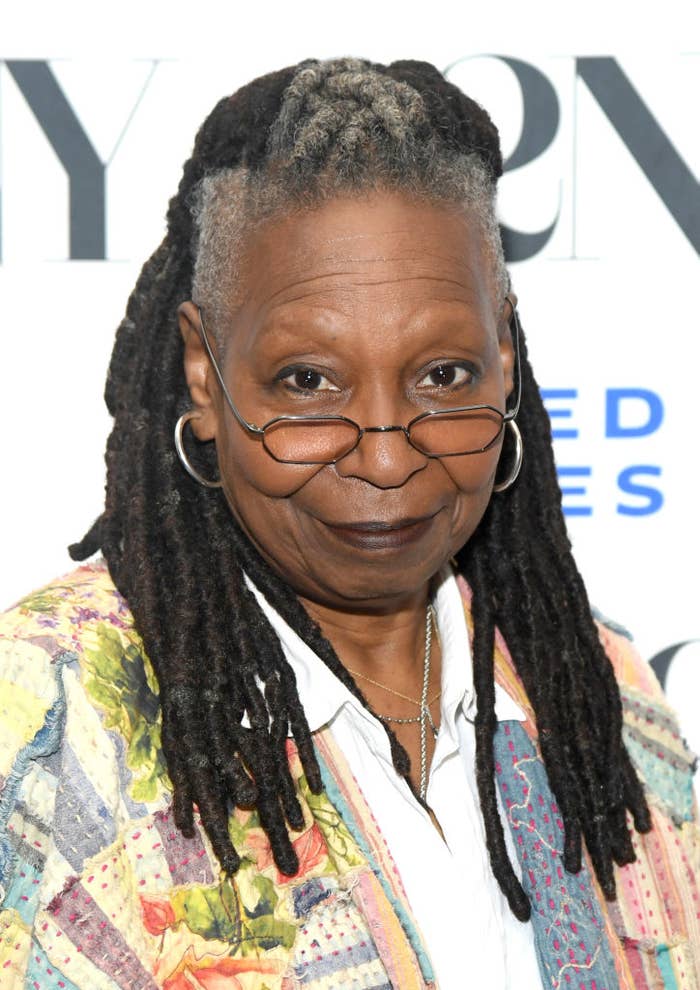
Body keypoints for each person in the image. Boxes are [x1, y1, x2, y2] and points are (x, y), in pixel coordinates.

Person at [0, 57, 697, 990]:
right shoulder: (60, 718)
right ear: (206, 379)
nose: (383, 456)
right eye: (309, 383)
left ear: (504, 357)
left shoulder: (605, 701)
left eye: (443, 376)